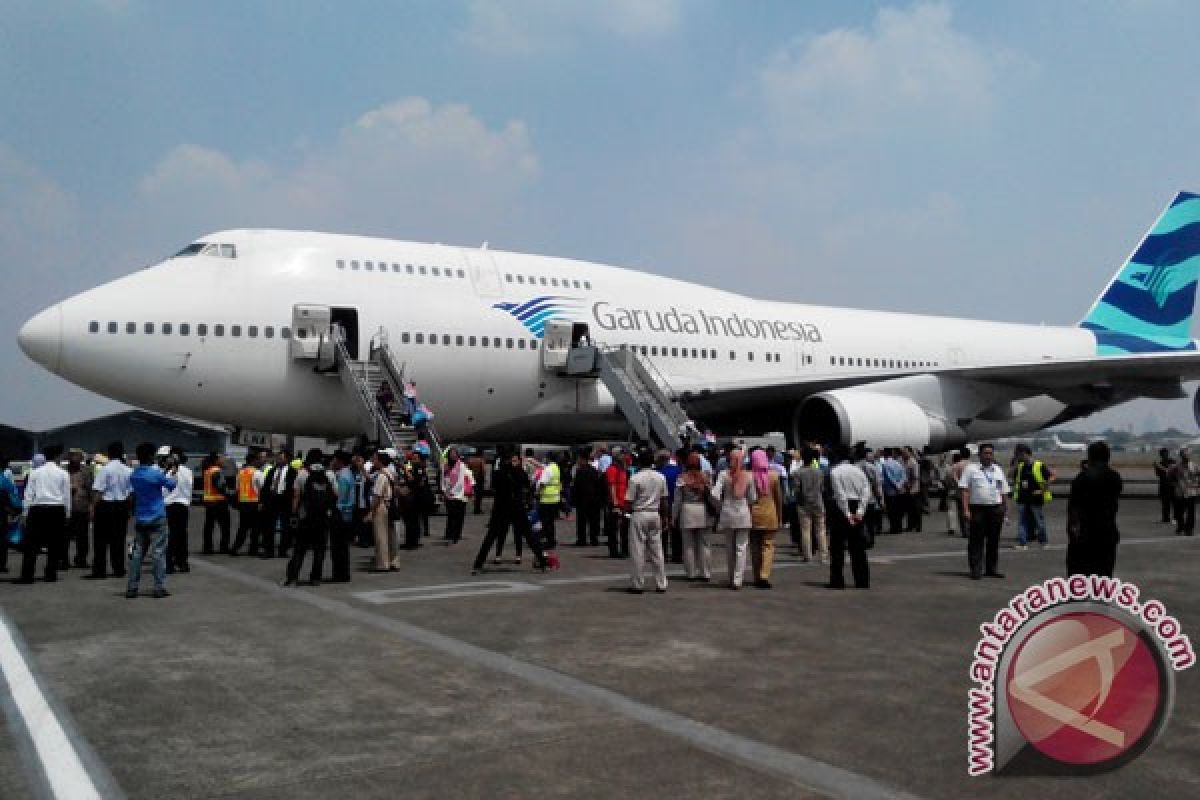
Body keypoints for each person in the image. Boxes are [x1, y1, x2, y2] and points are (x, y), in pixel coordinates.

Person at [473, 449, 547, 574]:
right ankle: (542, 562)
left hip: (501, 508)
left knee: (491, 536)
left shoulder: (498, 473)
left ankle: (478, 563)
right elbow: (527, 485)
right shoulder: (518, 472)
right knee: (528, 535)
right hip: (515, 508)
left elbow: (494, 487)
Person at [125, 442, 177, 598]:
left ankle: (132, 587)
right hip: (157, 517)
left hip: (141, 517)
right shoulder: (155, 474)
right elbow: (171, 485)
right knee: (158, 554)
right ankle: (159, 587)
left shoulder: (134, 474)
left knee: (137, 554)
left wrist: (165, 470)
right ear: (150, 456)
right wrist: (172, 471)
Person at [1066, 441, 1123, 577]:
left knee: (1079, 574)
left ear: (1089, 457)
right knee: (1104, 573)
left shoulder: (1081, 478)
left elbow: (1073, 508)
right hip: (1106, 532)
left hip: (1084, 534)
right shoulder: (1114, 477)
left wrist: (1072, 532)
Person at [14, 454, 70, 584]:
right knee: (54, 544)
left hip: (37, 509)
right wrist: (67, 513)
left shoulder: (34, 473)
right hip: (57, 509)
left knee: (31, 545)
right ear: (57, 458)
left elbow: (29, 494)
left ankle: (27, 576)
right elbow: (66, 495)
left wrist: (25, 512)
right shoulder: (63, 473)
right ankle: (51, 574)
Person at [286, 449, 336, 587]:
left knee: (300, 549)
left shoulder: (302, 473)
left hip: (306, 517)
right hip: (323, 517)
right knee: (320, 549)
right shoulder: (329, 474)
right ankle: (315, 578)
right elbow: (336, 494)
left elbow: (296, 496)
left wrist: (294, 513)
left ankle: (293, 578)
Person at [959, 444, 1010, 580]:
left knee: (993, 541)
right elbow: (964, 490)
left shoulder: (998, 469)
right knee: (976, 541)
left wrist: (1005, 509)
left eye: (990, 453)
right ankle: (976, 569)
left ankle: (991, 569)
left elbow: (1003, 491)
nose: (988, 456)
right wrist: (965, 509)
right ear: (979, 455)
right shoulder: (971, 469)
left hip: (995, 508)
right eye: (986, 453)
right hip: (977, 509)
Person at [624, 449, 669, 594]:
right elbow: (664, 500)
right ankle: (661, 583)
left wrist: (625, 513)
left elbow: (629, 501)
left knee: (638, 550)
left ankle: (638, 584)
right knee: (657, 550)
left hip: (639, 513)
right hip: (655, 513)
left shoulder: (635, 478)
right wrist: (665, 517)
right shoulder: (660, 477)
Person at [828, 446, 871, 589]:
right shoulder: (858, 471)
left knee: (837, 548)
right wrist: (860, 511)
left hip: (841, 510)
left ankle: (837, 581)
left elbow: (840, 495)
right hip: (857, 505)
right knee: (858, 547)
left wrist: (847, 514)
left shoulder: (835, 472)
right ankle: (862, 581)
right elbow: (866, 491)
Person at [714, 446, 756, 590]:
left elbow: (714, 494)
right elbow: (752, 498)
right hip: (743, 512)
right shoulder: (748, 476)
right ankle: (738, 580)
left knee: (729, 548)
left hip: (727, 512)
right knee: (741, 548)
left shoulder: (723, 474)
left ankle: (731, 577)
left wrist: (720, 506)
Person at [88, 441, 131, 580]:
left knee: (100, 541)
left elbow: (98, 491)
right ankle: (118, 568)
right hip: (121, 506)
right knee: (119, 539)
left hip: (106, 506)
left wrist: (93, 508)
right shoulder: (128, 470)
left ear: (109, 453)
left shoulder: (105, 469)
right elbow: (131, 492)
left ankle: (99, 570)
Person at [672, 453, 713, 581]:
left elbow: (677, 500)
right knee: (704, 544)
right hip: (702, 510)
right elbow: (712, 496)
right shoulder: (706, 477)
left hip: (687, 510)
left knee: (688, 545)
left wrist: (674, 516)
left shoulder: (682, 478)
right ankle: (705, 572)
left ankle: (691, 573)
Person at [747, 449, 784, 589]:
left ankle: (757, 575)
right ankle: (764, 575)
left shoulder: (749, 476)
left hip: (753, 515)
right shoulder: (774, 476)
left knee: (755, 547)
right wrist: (780, 516)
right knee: (768, 546)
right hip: (770, 515)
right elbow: (778, 499)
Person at [1012, 444, 1055, 549]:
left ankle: (1043, 542)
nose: (1019, 457)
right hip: (1023, 497)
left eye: (1019, 455)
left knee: (1039, 521)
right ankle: (1023, 543)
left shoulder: (1039, 465)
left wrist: (1043, 490)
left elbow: (1051, 477)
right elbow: (1011, 476)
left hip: (1035, 498)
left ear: (1026, 454)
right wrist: (1015, 464)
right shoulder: (1020, 466)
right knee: (1022, 521)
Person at [791, 447, 828, 563]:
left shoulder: (798, 473)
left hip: (803, 504)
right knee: (821, 530)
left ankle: (807, 555)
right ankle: (823, 555)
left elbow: (796, 490)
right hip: (818, 502)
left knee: (805, 530)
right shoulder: (819, 472)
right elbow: (822, 489)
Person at [260, 450, 297, 558]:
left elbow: (294, 488)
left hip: (284, 501)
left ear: (287, 459)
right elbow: (266, 487)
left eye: (281, 458)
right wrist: (263, 501)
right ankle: (269, 550)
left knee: (286, 527)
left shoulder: (292, 472)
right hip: (272, 500)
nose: (278, 460)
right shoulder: (272, 470)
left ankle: (283, 550)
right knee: (269, 526)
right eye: (278, 458)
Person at [164, 447, 193, 573]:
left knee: (170, 534)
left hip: (169, 505)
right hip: (183, 505)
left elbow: (163, 490)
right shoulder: (188, 471)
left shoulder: (167, 472)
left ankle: (169, 563)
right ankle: (183, 562)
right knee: (182, 534)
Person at [231, 450, 264, 556]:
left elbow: (237, 488)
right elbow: (262, 488)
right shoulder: (257, 473)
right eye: (258, 459)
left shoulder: (240, 473)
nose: (259, 461)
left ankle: (235, 548)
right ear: (254, 461)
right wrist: (261, 502)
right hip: (254, 502)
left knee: (243, 527)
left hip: (243, 502)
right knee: (255, 528)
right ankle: (253, 550)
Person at [64, 449, 93, 570]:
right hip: (67, 508)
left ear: (81, 458)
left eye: (76, 457)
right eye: (71, 457)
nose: (74, 459)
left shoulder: (86, 472)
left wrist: (92, 507)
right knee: (64, 536)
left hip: (82, 507)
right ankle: (63, 560)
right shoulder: (63, 471)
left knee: (82, 536)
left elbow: (91, 489)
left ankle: (81, 559)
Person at [368, 451, 397, 572]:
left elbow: (377, 496)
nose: (373, 462)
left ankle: (383, 563)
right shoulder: (390, 473)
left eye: (375, 459)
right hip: (390, 505)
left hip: (381, 507)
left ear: (380, 461)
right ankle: (393, 561)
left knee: (381, 537)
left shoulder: (381, 476)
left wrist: (371, 512)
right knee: (391, 536)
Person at [200, 453, 231, 554]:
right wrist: (229, 492)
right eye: (222, 459)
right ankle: (224, 547)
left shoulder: (207, 471)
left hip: (209, 502)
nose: (223, 460)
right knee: (225, 526)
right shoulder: (217, 471)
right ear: (216, 460)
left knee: (209, 526)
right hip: (219, 502)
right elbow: (221, 486)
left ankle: (207, 548)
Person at [571, 450, 603, 547]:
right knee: (593, 521)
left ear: (581, 459)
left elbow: (576, 486)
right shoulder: (594, 471)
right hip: (593, 499)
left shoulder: (580, 471)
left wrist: (574, 499)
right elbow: (598, 485)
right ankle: (594, 539)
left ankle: (582, 539)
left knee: (581, 521)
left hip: (582, 499)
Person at [656, 450, 683, 563]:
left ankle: (663, 553)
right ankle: (677, 555)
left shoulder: (659, 472)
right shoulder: (678, 470)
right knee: (676, 530)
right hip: (676, 502)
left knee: (663, 529)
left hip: (662, 503)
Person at [604, 447, 631, 559]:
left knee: (625, 528)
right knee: (613, 528)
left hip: (624, 503)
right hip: (616, 503)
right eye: (622, 454)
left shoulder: (623, 469)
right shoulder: (612, 469)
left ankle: (625, 550)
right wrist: (615, 503)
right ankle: (614, 551)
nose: (624, 456)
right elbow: (612, 486)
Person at [441, 447, 470, 545]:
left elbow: (463, 480)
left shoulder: (461, 466)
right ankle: (451, 534)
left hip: (459, 495)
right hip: (449, 494)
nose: (453, 455)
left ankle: (456, 535)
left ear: (457, 455)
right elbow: (443, 479)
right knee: (451, 515)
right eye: (451, 453)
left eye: (454, 453)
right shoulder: (446, 466)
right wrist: (444, 491)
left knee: (458, 516)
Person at [535, 451, 561, 550]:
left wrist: (537, 493)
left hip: (546, 499)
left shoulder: (548, 469)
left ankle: (549, 541)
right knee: (550, 522)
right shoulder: (556, 468)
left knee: (546, 522)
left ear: (549, 458)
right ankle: (551, 540)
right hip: (554, 499)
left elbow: (542, 483)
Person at [1169, 449, 1199, 536]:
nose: (1186, 457)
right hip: (1180, 492)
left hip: (1191, 492)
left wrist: (1197, 486)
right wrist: (1174, 484)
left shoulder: (1194, 466)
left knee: (1191, 512)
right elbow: (1170, 476)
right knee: (1179, 511)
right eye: (1184, 455)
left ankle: (1189, 529)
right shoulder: (1176, 467)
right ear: (1181, 456)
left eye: (1187, 455)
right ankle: (1181, 526)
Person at [880, 449, 907, 535]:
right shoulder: (898, 463)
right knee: (898, 510)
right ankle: (899, 527)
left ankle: (894, 528)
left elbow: (889, 477)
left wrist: (896, 485)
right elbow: (904, 476)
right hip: (899, 491)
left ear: (884, 454)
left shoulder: (885, 465)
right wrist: (900, 485)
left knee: (891, 511)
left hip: (890, 491)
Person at [1154, 447, 1175, 525]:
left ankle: (1172, 518)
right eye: (1164, 454)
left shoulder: (1171, 462)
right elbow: (1159, 474)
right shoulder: (1162, 463)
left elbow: (1169, 471)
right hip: (1165, 485)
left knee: (1171, 503)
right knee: (1165, 503)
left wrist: (1158, 467)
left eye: (1165, 453)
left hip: (1170, 485)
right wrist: (1157, 467)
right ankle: (1166, 518)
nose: (1165, 455)